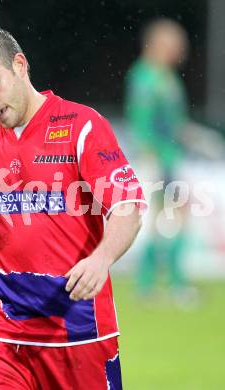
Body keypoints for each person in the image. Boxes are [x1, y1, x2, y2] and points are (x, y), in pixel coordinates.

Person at [0, 22, 146, 389]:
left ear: (19, 65)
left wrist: (101, 258)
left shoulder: (81, 126)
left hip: (78, 334)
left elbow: (128, 204)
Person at [124, 19, 190, 301]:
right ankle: (152, 283)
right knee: (155, 218)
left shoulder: (167, 77)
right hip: (154, 156)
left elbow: (175, 122)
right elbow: (140, 118)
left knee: (175, 216)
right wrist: (146, 150)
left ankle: (167, 282)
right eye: (176, 44)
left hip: (170, 155)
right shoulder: (144, 76)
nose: (180, 51)